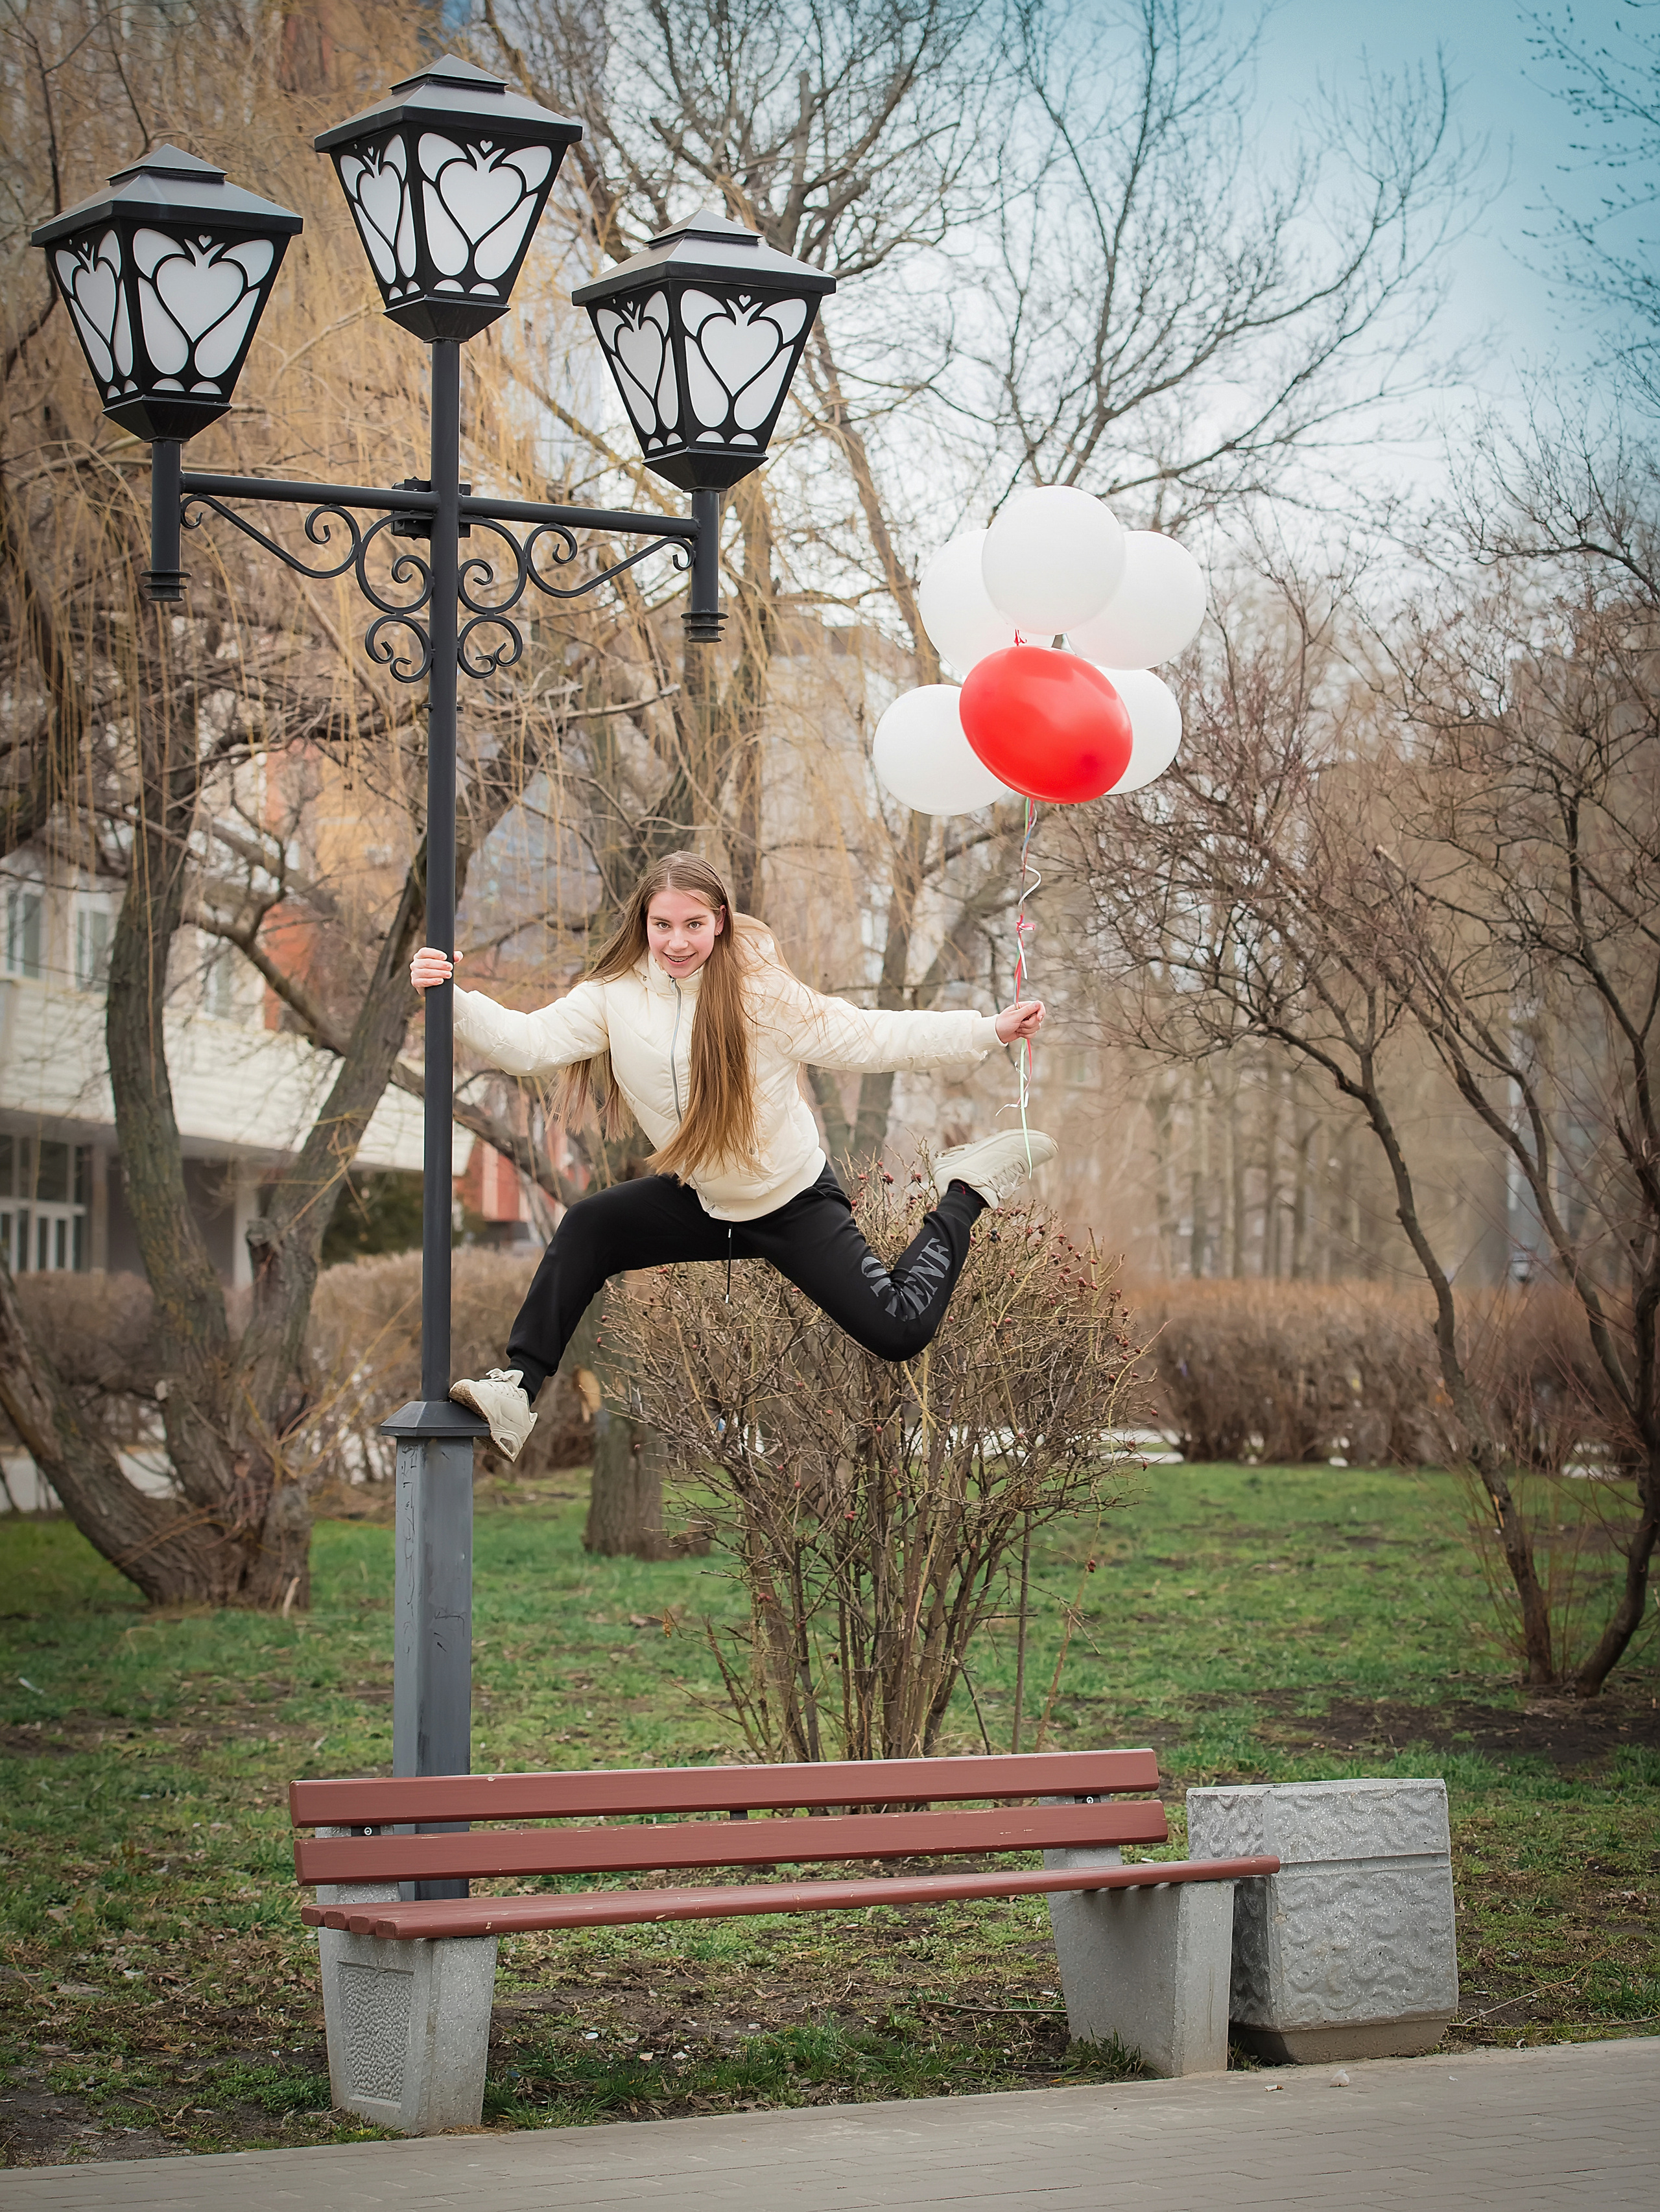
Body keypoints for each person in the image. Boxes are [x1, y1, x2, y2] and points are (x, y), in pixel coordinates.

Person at [410, 852, 1056, 1463]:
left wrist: (985, 1029)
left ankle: (965, 1188)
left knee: (900, 1330)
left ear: (718, 921)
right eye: (662, 925)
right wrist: (451, 998)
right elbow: (528, 1043)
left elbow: (868, 1036)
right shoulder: (614, 993)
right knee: (590, 1225)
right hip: (702, 1200)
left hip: (790, 1200)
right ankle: (517, 1391)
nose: (677, 942)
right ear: (644, 923)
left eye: (693, 924)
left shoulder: (760, 994)